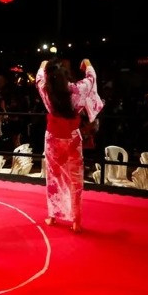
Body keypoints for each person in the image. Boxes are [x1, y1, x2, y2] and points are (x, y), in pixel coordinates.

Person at [36, 58, 104, 233]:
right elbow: (92, 77)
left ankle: (53, 215)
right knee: (75, 178)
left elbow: (39, 76)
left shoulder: (45, 89)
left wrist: (44, 63)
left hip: (53, 139)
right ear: (67, 76)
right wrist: (87, 63)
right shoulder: (79, 89)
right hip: (72, 138)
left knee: (54, 177)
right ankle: (76, 220)